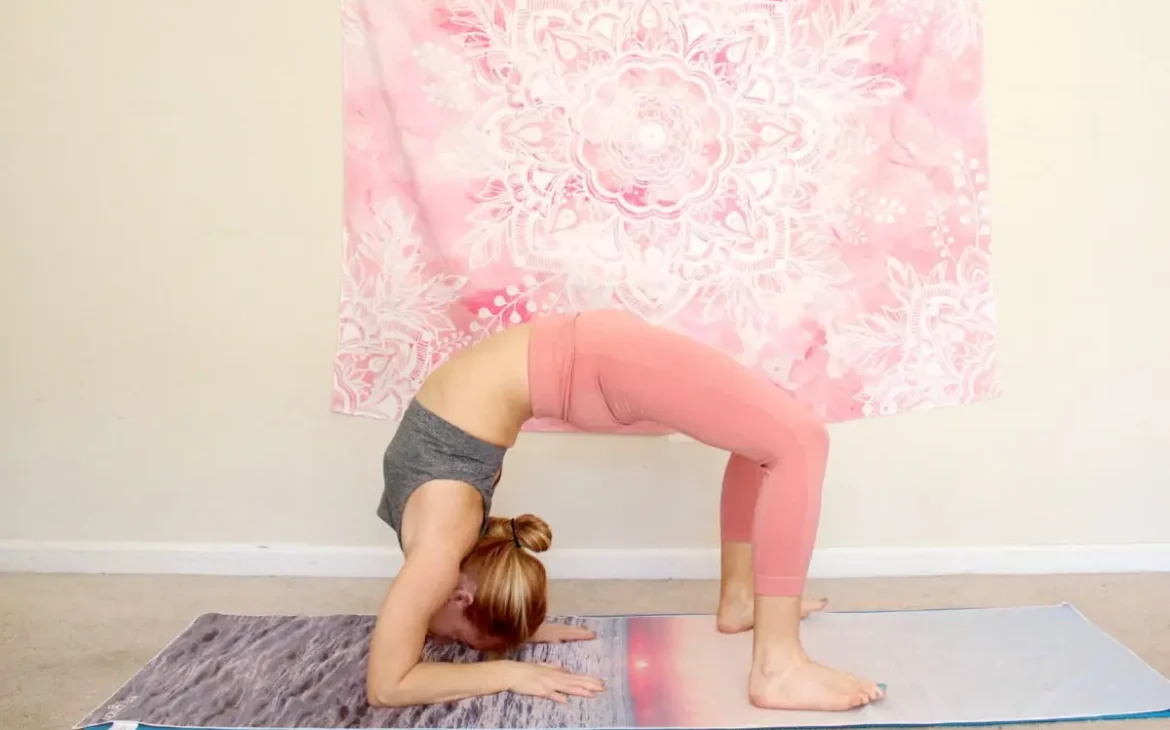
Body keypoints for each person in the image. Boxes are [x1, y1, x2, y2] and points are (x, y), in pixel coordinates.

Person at [365, 309, 884, 711]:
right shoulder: (437, 527)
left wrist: (507, 669)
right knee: (791, 439)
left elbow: (389, 685)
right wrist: (517, 629)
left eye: (458, 637)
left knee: (788, 439)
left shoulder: (437, 551)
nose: (434, 635)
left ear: (461, 594)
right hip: (590, 356)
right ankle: (763, 639)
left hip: (593, 359)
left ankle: (768, 646)